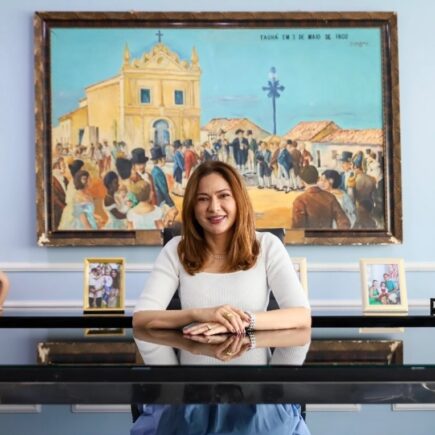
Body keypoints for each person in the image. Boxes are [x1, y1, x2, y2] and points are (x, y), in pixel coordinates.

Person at [133, 160, 310, 335]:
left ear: (238, 200)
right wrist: (198, 314)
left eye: (224, 195)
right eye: (203, 199)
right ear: (192, 206)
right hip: (193, 351)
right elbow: (141, 318)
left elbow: (301, 316)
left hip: (253, 352)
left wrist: (239, 322)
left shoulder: (268, 245)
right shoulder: (176, 249)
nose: (214, 207)